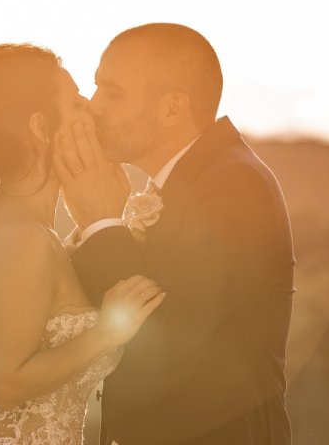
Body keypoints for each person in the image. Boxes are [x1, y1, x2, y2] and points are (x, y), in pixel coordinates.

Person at [0, 44, 165, 445]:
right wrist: (107, 332)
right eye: (76, 102)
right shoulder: (24, 238)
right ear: (41, 128)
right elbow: (4, 385)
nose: (91, 110)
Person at [55, 23, 295, 445]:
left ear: (171, 109)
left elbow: (166, 335)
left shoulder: (234, 185)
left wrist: (101, 222)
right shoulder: (188, 181)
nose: (93, 108)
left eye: (112, 93)